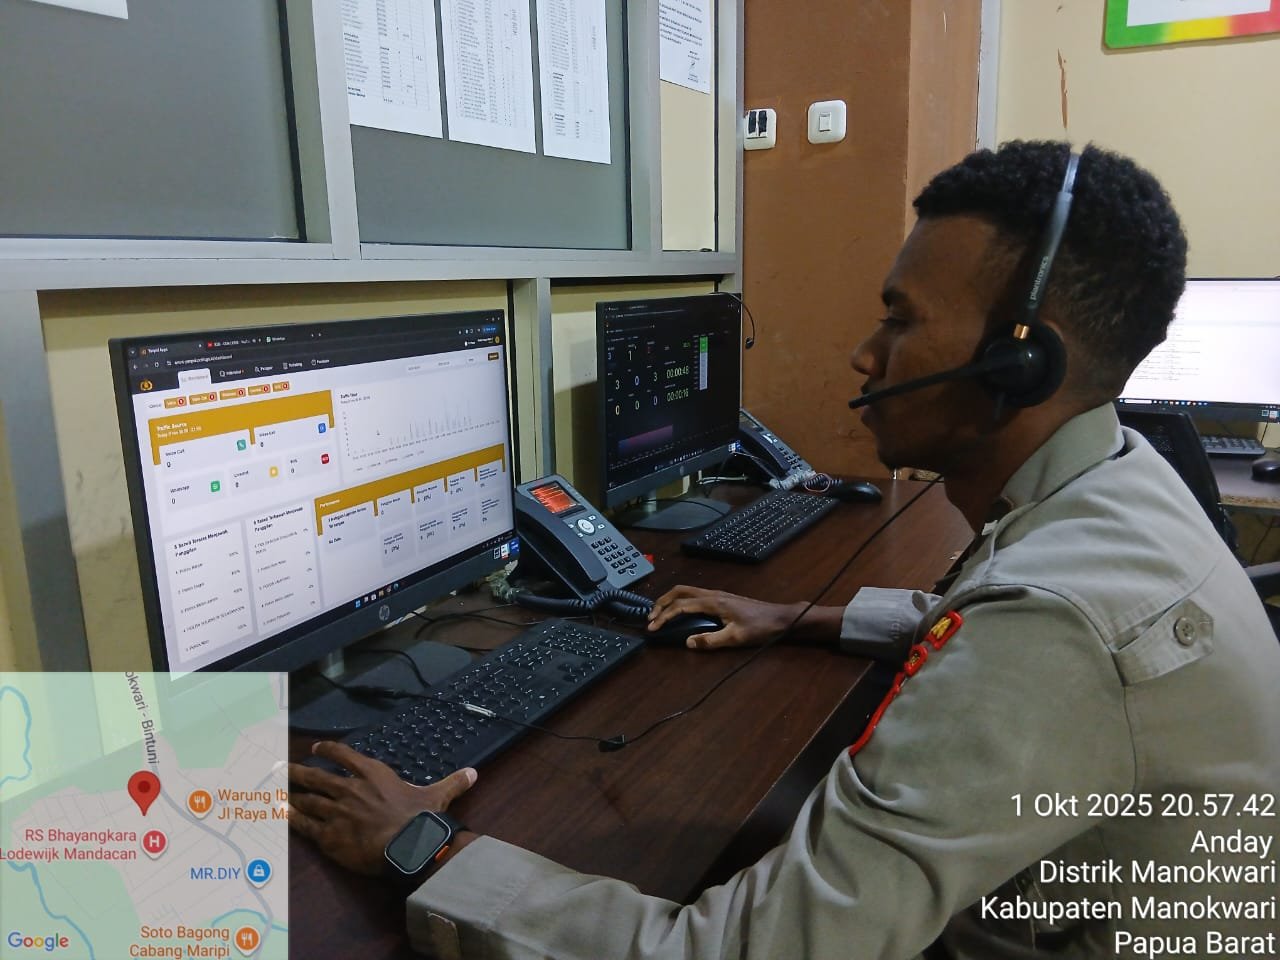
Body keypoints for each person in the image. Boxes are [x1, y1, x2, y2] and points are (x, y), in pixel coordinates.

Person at [288, 141, 1280, 959]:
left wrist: (424, 851)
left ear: (1020, 361)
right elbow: (998, 621)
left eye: (900, 318)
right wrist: (798, 616)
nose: (864, 354)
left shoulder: (1054, 629)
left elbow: (745, 951)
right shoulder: (1124, 480)